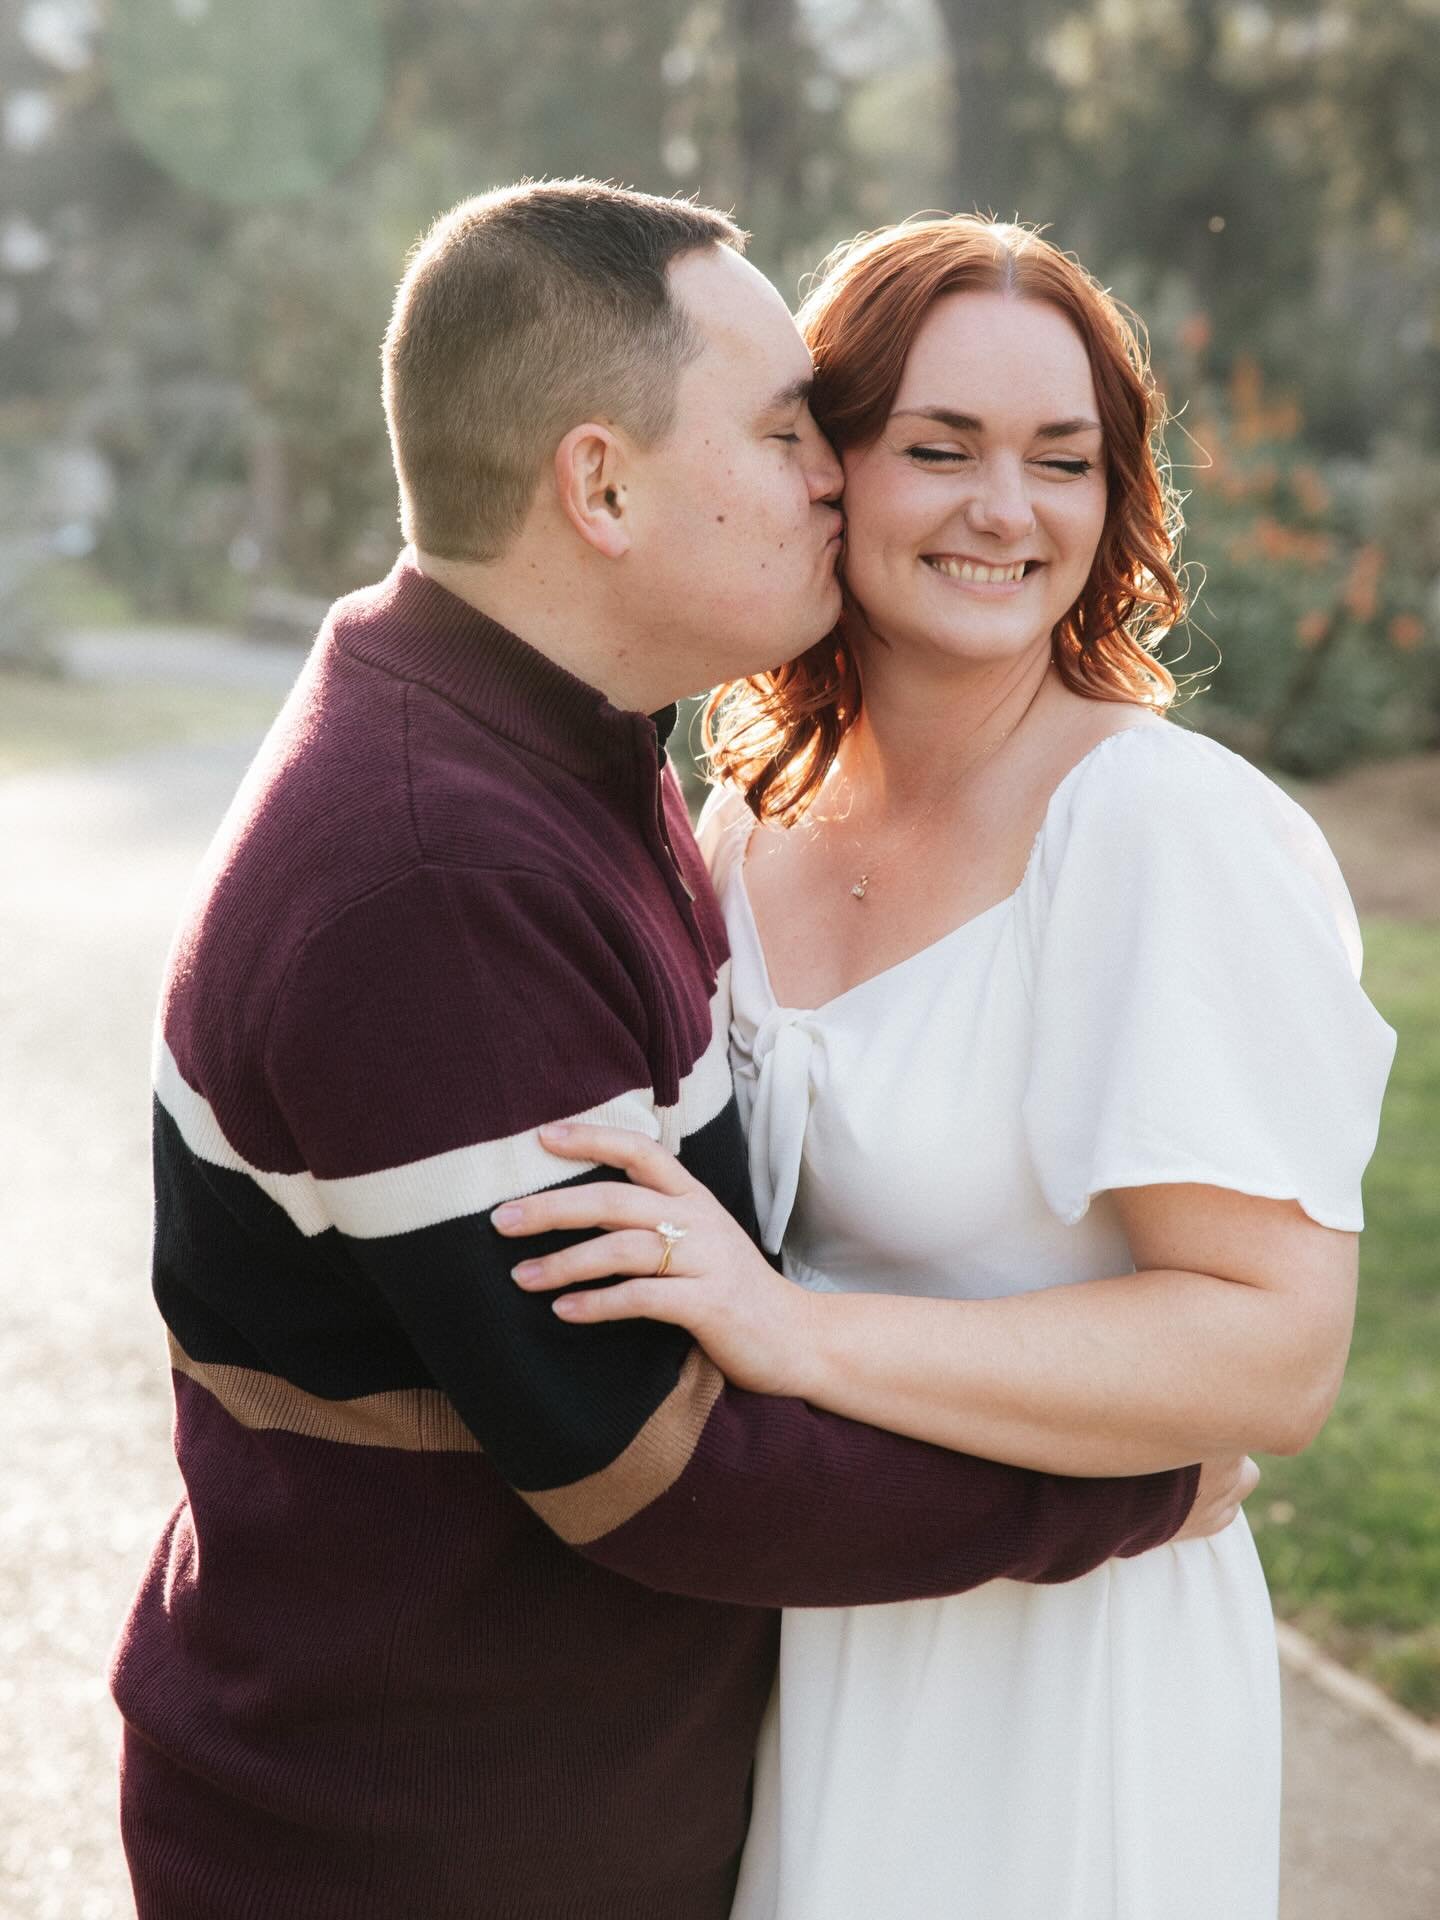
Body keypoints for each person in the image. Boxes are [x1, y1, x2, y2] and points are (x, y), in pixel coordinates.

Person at [108, 185, 1243, 1920]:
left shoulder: (570, 758)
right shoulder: (441, 872)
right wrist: (1131, 1491)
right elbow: (653, 1469)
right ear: (601, 484)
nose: (829, 474)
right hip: (419, 1847)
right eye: (789, 426)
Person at [494, 216, 1398, 1919]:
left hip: (1060, 1690)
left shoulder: (1159, 832)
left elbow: (1273, 1351)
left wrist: (799, 1333)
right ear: (822, 469)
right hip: (790, 1668)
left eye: (1065, 461)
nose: (1010, 511)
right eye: (942, 447)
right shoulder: (743, 826)